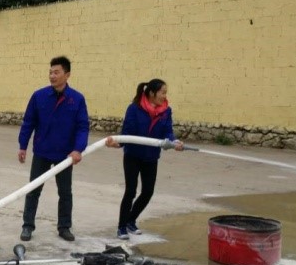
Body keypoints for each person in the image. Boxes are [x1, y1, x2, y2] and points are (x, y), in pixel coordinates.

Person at [18, 56, 89, 242]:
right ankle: (27, 226)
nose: (52, 76)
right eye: (50, 72)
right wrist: (23, 145)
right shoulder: (39, 96)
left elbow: (82, 127)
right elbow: (28, 122)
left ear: (67, 75)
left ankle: (64, 227)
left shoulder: (77, 99)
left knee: (65, 193)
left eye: (56, 72)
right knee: (33, 190)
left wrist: (78, 149)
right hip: (42, 151)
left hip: (65, 155)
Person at [106, 78, 183, 240]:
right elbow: (127, 133)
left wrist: (174, 142)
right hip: (133, 155)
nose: (165, 96)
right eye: (162, 92)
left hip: (151, 157)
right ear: (152, 93)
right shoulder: (134, 108)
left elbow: (167, 132)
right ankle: (121, 227)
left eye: (165, 93)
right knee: (131, 191)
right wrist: (117, 144)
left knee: (148, 192)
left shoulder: (166, 111)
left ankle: (131, 220)